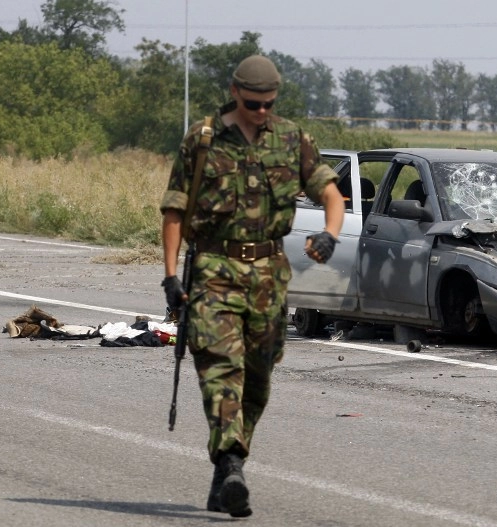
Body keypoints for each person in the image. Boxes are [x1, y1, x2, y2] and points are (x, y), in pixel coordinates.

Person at [159, 55, 344, 518]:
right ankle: (231, 461)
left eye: (268, 104)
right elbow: (174, 211)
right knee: (222, 370)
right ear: (234, 91)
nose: (260, 111)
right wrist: (168, 275)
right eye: (252, 103)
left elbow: (330, 193)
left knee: (257, 381)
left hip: (267, 274)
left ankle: (226, 469)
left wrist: (330, 233)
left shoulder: (291, 139)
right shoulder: (202, 140)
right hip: (214, 271)